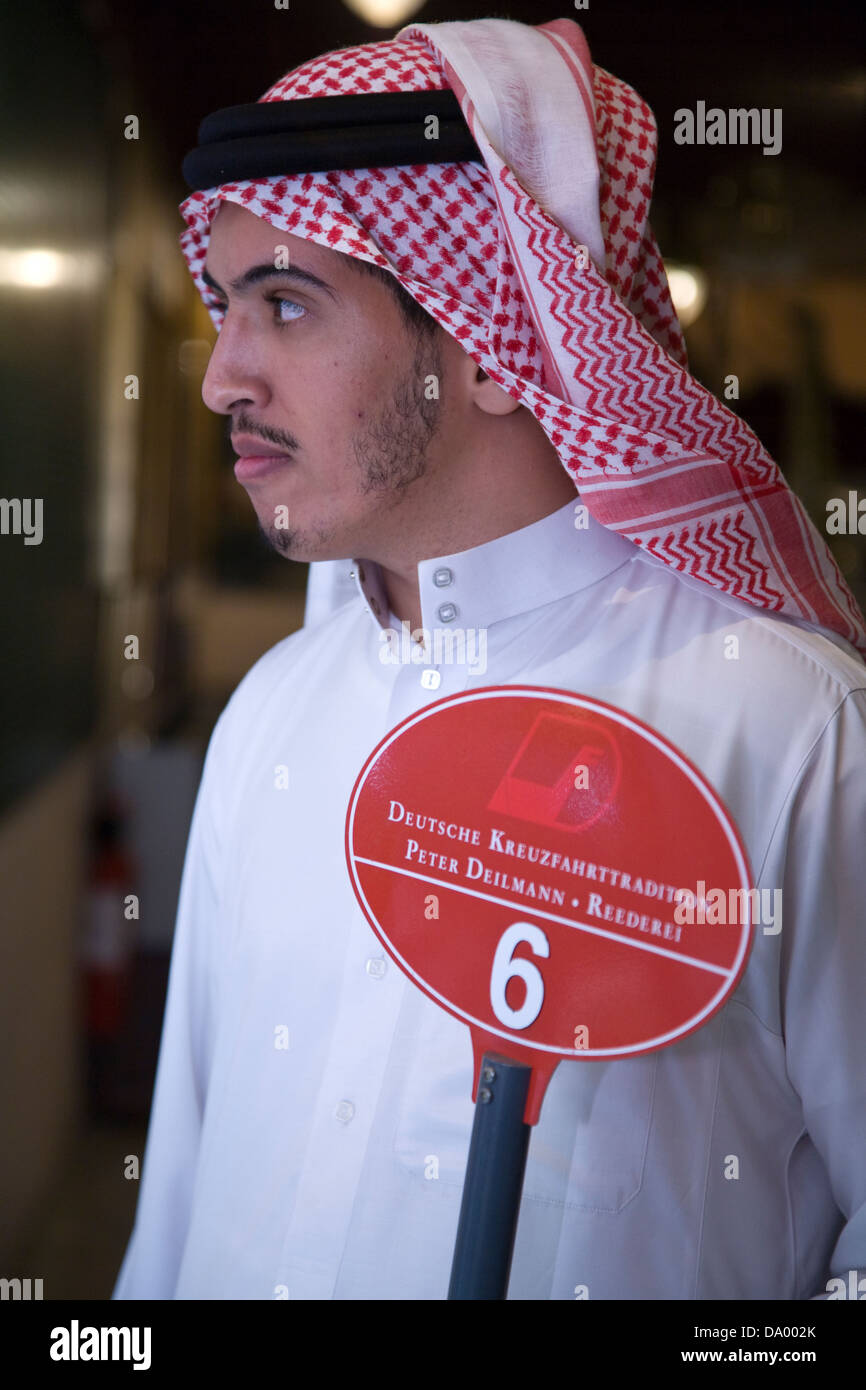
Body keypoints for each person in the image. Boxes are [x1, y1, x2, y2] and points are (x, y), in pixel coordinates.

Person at [113, 17, 866, 1300]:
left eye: (285, 305)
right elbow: (175, 1207)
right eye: (223, 309)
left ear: (488, 340)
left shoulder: (789, 735)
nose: (220, 378)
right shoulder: (275, 717)